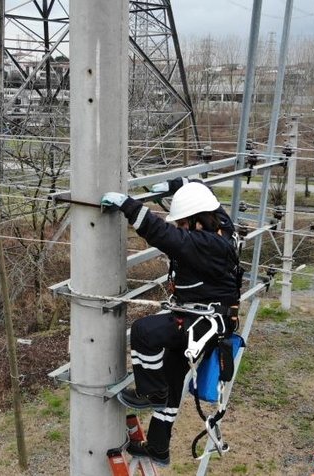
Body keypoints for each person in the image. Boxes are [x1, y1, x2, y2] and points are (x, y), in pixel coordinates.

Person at [100, 178, 242, 466]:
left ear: (194, 220)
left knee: (144, 332)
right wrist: (176, 184)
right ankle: (158, 447)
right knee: (173, 376)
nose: (179, 227)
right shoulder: (222, 224)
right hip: (201, 315)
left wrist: (129, 206)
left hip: (202, 319)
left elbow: (162, 235)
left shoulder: (208, 244)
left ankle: (151, 391)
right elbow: (203, 188)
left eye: (182, 222)